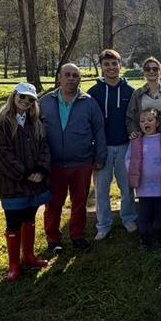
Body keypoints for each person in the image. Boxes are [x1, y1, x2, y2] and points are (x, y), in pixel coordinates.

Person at [0, 82, 52, 281]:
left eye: (30, 99)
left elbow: (45, 147)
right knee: (13, 222)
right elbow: (2, 153)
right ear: (14, 96)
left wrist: (41, 170)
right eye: (22, 96)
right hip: (13, 183)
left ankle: (29, 256)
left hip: (35, 183)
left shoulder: (36, 121)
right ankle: (14, 265)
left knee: (30, 217)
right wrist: (24, 173)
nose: (25, 101)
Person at [41, 64, 106, 254]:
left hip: (81, 163)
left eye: (75, 75)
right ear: (59, 78)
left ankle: (78, 236)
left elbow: (99, 130)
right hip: (54, 164)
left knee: (79, 202)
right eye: (67, 75)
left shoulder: (89, 102)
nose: (71, 79)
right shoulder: (45, 102)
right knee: (53, 203)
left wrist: (100, 156)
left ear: (80, 79)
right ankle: (53, 239)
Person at [90, 49, 137, 241]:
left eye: (114, 64)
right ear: (101, 67)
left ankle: (129, 218)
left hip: (125, 146)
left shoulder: (130, 91)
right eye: (106, 64)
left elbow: (135, 117)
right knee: (101, 190)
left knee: (127, 187)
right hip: (102, 148)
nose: (111, 67)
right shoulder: (93, 93)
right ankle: (103, 224)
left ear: (120, 65)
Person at [126, 109, 161, 250]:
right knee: (144, 213)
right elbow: (128, 159)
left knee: (160, 212)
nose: (146, 123)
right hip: (143, 186)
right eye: (142, 121)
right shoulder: (137, 141)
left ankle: (159, 235)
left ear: (157, 122)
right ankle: (144, 238)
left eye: (150, 120)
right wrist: (133, 174)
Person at [127, 57, 161, 137]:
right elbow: (130, 117)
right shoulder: (137, 94)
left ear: (160, 71)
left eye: (155, 69)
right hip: (144, 138)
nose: (151, 71)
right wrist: (133, 131)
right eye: (147, 69)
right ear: (144, 72)